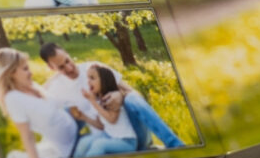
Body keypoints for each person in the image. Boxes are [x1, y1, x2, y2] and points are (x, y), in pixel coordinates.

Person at [41, 43, 184, 150]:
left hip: (131, 135)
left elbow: (135, 94)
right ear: (51, 68)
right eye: (61, 67)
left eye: (67, 61)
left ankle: (175, 145)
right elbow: (37, 102)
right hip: (107, 142)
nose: (69, 68)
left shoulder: (94, 68)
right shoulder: (56, 88)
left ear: (67, 53)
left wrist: (121, 95)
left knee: (131, 98)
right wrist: (53, 78)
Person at [0, 48, 78, 158]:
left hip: (73, 128)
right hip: (66, 148)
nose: (31, 73)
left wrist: (57, 75)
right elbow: (27, 136)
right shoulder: (13, 99)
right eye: (25, 69)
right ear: (11, 72)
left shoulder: (29, 85)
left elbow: (45, 97)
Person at [71, 64, 138, 158]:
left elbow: (112, 119)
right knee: (84, 142)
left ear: (103, 81)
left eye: (92, 78)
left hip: (127, 142)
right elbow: (101, 126)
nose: (88, 81)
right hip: (110, 137)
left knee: (99, 145)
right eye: (87, 78)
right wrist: (83, 117)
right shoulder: (98, 101)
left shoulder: (113, 98)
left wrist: (93, 102)